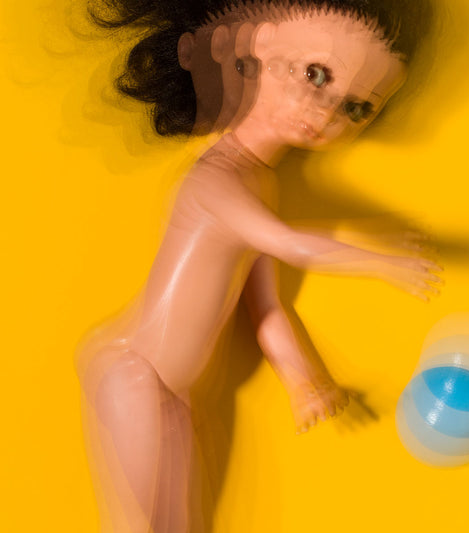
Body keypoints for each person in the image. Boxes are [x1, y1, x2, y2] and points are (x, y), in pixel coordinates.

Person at [77, 1, 441, 531]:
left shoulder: (261, 183)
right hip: (135, 374)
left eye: (356, 107)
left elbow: (265, 307)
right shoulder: (216, 177)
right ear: (261, 44)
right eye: (316, 75)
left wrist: (304, 381)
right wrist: (379, 260)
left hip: (171, 392)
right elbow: (287, 243)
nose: (326, 114)